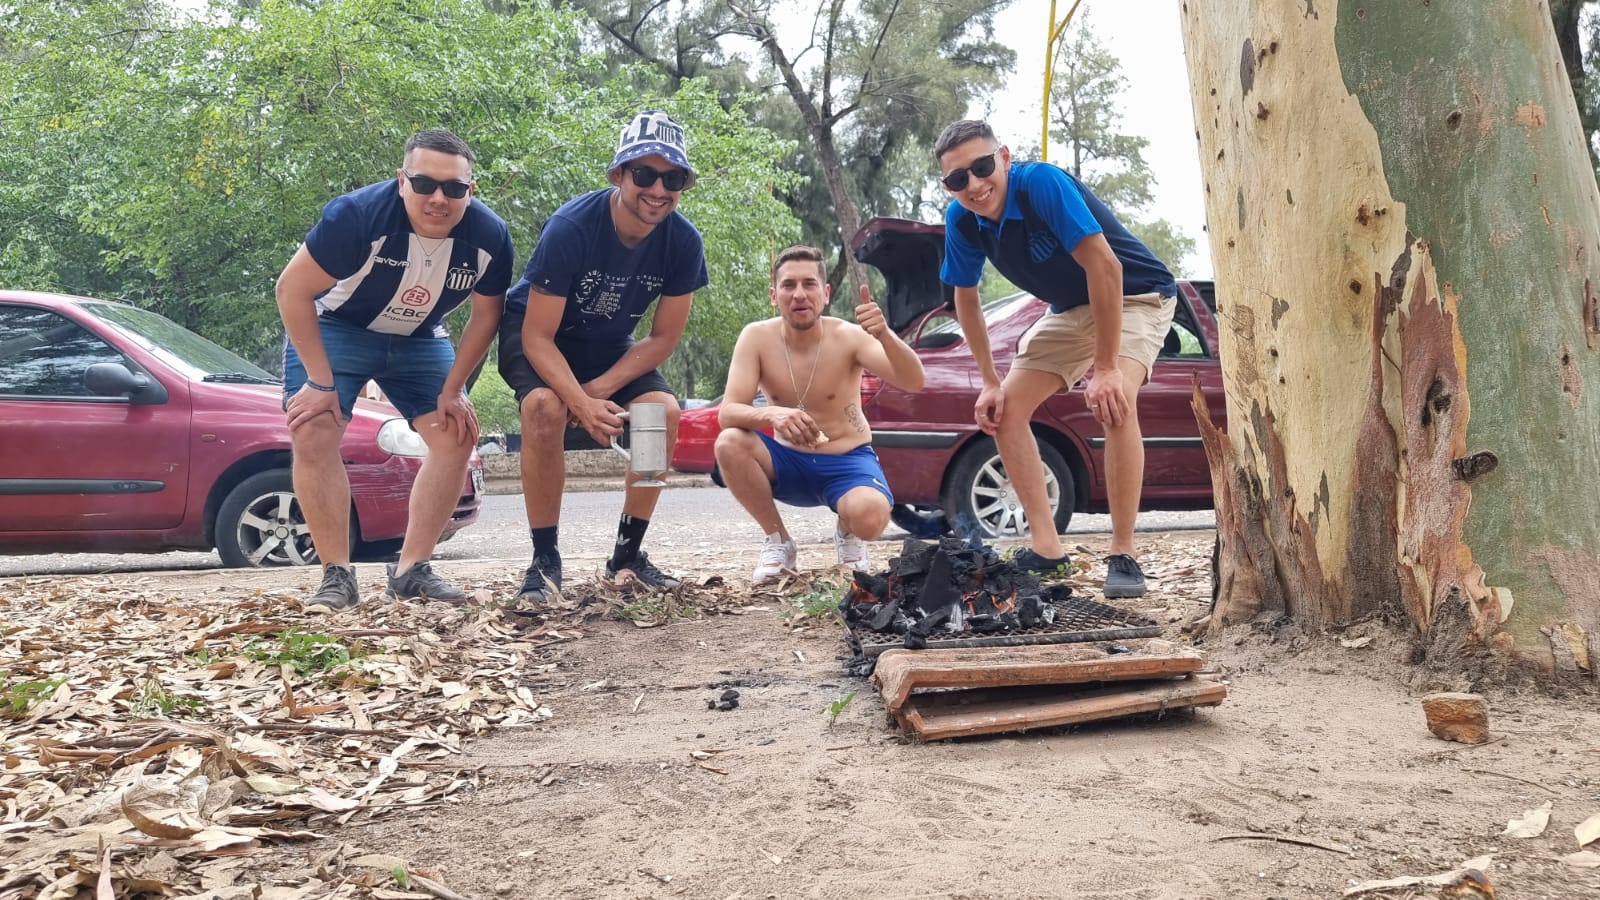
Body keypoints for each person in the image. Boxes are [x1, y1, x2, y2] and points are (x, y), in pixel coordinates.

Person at [935, 119, 1177, 598]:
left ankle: (1123, 553)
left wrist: (1106, 369)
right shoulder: (961, 219)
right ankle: (1047, 550)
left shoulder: (1041, 183)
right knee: (1005, 411)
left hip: (1136, 295)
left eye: (982, 168)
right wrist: (988, 381)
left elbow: (1106, 267)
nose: (975, 185)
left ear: (1003, 157)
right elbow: (966, 299)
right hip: (1069, 310)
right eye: (958, 179)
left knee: (1114, 401)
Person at [276, 129, 514, 613]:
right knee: (315, 428)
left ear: (472, 191)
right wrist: (321, 382)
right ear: (402, 181)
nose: (438, 198)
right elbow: (291, 291)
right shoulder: (357, 217)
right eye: (425, 184)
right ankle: (336, 575)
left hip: (421, 337)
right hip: (337, 327)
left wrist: (455, 389)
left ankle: (411, 571)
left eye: (454, 188)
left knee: (456, 432)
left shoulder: (489, 237)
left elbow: (487, 316)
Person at [498, 110, 708, 603]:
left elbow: (661, 341)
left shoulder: (684, 242)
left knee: (663, 414)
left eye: (672, 178)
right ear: (619, 174)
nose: (658, 189)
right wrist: (576, 401)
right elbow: (538, 339)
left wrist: (592, 395)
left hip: (608, 343)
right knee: (545, 410)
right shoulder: (572, 227)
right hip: (539, 333)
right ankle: (544, 560)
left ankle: (627, 555)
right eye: (645, 174)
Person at [715, 245, 925, 584]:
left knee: (872, 517)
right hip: (787, 462)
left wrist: (885, 335)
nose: (799, 294)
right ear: (774, 294)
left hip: (846, 459)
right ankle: (778, 541)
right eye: (788, 285)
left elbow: (914, 381)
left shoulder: (848, 337)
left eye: (809, 284)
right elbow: (728, 412)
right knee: (729, 442)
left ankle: (848, 531)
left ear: (825, 293)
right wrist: (773, 415)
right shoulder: (756, 337)